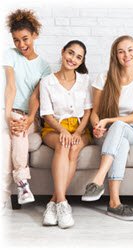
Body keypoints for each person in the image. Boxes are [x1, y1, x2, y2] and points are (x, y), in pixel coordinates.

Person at [81, 35, 133, 221]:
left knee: (120, 126)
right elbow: (95, 112)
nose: (126, 55)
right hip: (107, 135)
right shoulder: (103, 78)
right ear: (115, 55)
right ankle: (114, 203)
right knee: (120, 143)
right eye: (121, 51)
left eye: (130, 50)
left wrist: (107, 121)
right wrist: (97, 125)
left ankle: (99, 178)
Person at [39, 40, 92, 229]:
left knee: (74, 146)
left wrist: (77, 132)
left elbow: (87, 112)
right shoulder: (47, 81)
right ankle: (62, 202)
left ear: (82, 61)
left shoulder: (85, 80)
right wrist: (62, 131)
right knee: (63, 144)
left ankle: (53, 204)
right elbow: (46, 113)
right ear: (62, 52)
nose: (73, 59)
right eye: (70, 53)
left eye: (79, 57)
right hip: (54, 128)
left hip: (79, 128)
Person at [3, 9, 51, 205]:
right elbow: (11, 86)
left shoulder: (44, 67)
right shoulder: (10, 55)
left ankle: (22, 184)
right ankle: (8, 193)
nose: (21, 44)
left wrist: (29, 118)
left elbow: (35, 96)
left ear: (35, 35)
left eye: (25, 39)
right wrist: (8, 116)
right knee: (4, 141)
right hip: (9, 110)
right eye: (16, 40)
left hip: (30, 116)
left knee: (19, 132)